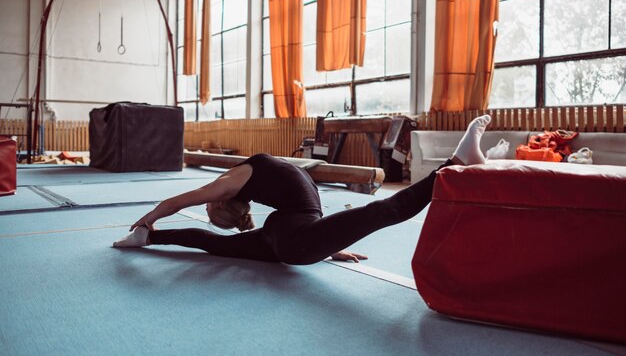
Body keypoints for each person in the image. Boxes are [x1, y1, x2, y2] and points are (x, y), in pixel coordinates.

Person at [113, 115, 492, 265]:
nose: (209, 199)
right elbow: (313, 218)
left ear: (223, 200)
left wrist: (149, 219)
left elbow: (181, 202)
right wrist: (329, 244)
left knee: (216, 244)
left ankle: (148, 240)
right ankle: (457, 163)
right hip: (296, 239)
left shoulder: (236, 182)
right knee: (386, 210)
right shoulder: (257, 175)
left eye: (212, 205)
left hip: (291, 240)